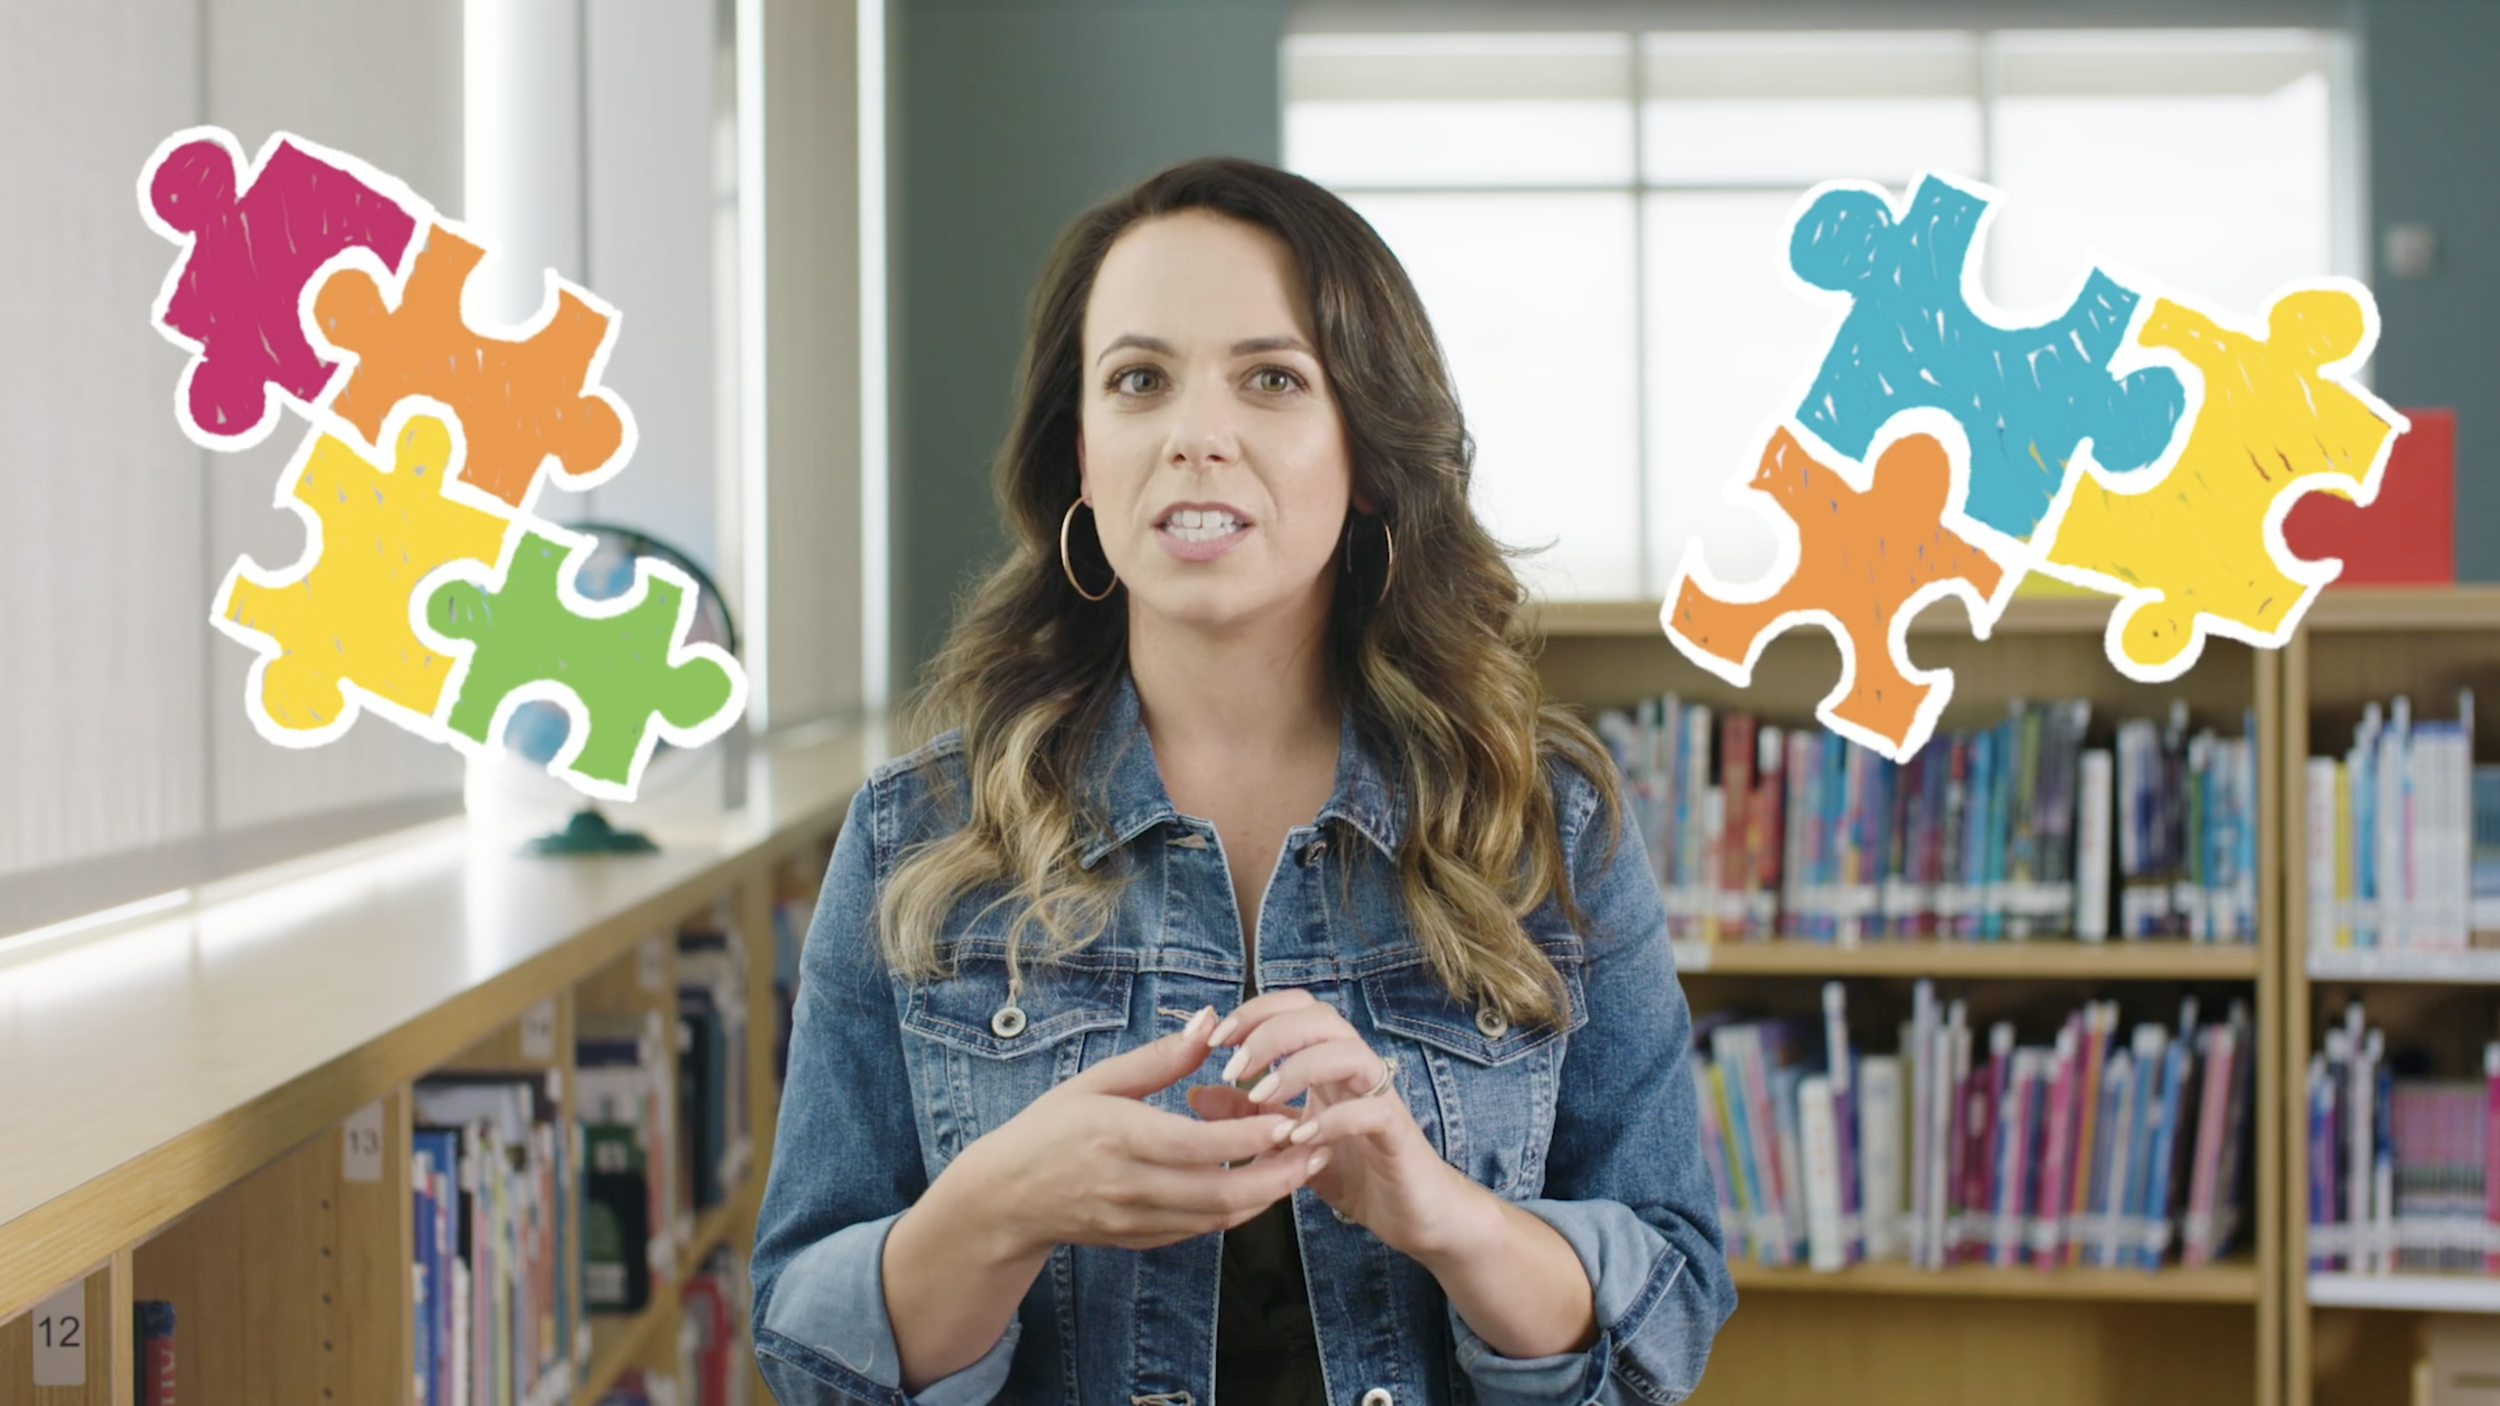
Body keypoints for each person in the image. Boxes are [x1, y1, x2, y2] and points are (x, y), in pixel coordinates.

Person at [750, 155, 1733, 1406]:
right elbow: (805, 1350)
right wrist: (1000, 1208)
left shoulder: (1548, 829)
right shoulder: (916, 838)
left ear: (1365, 451)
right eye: (1138, 380)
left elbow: (1669, 1314)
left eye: (1271, 379)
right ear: (1083, 457)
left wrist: (1443, 1214)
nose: (1194, 436)